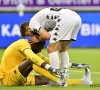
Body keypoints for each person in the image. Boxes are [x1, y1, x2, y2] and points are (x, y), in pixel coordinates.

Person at [20, 8, 82, 86]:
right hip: (76, 17)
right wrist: (40, 37)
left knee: (51, 48)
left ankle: (55, 79)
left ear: (28, 28)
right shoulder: (43, 23)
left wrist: (38, 39)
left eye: (29, 35)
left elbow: (47, 36)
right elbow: (52, 36)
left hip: (65, 18)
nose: (32, 36)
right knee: (63, 48)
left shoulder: (32, 24)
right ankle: (64, 72)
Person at [0, 38, 92, 87]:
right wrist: (51, 69)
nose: (38, 52)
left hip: (19, 77)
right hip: (6, 78)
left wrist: (73, 65)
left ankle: (83, 82)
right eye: (38, 49)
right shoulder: (22, 43)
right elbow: (33, 58)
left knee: (50, 80)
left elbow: (47, 60)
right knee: (33, 61)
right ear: (34, 45)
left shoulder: (33, 50)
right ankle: (58, 79)